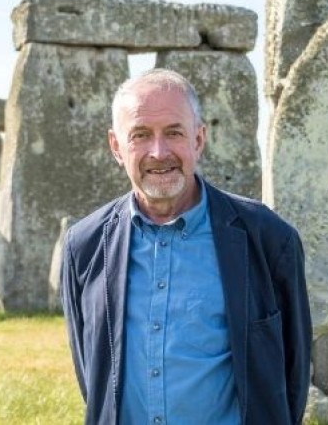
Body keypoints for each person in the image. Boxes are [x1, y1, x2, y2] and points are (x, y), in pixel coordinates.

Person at [61, 68, 312, 425]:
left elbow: (293, 373)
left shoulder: (270, 239)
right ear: (116, 147)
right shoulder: (83, 247)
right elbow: (93, 376)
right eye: (141, 135)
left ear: (198, 138)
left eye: (174, 133)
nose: (158, 152)